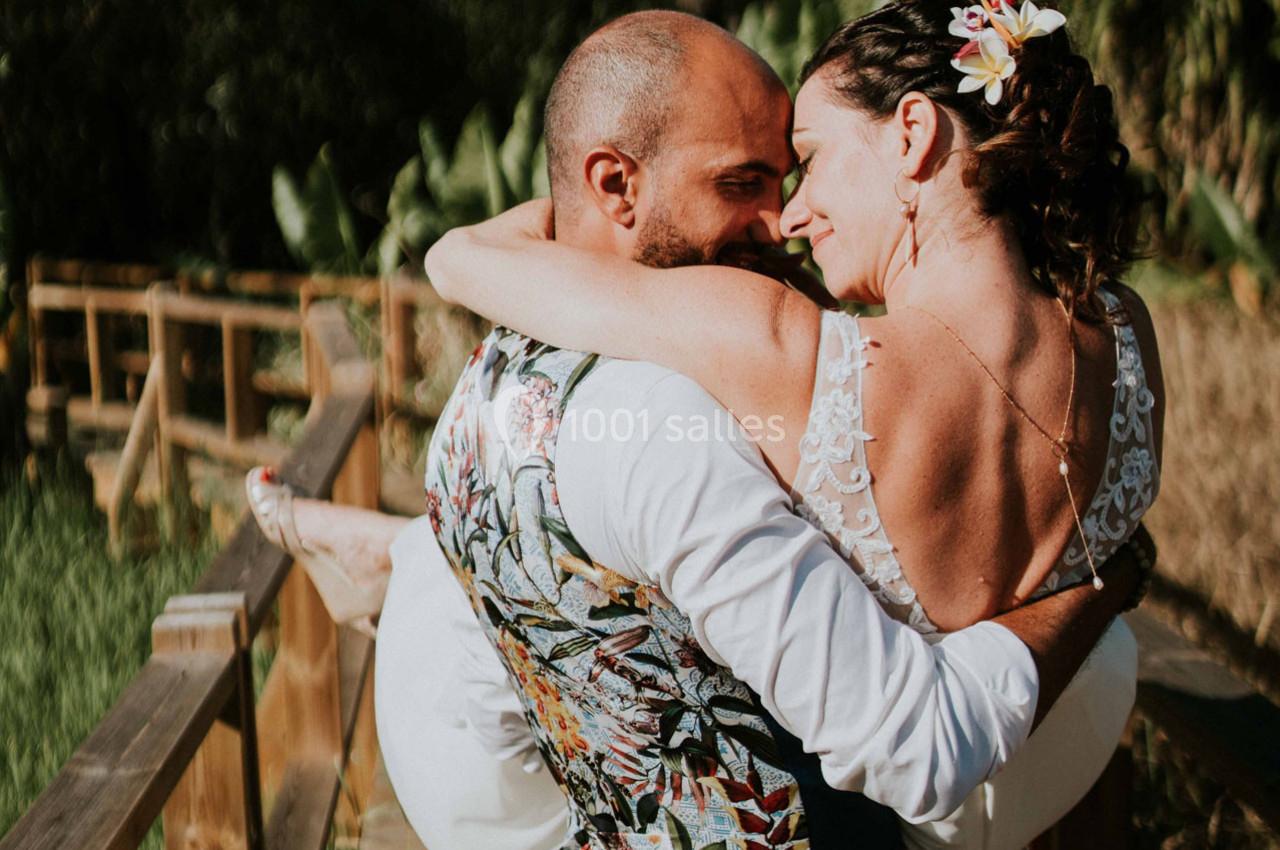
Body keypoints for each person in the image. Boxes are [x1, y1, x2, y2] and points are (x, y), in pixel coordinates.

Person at [247, 8, 1156, 850]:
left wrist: (476, 240)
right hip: (1046, 754)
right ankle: (410, 551)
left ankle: (406, 557)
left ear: (912, 135)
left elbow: (463, 257)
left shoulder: (794, 357)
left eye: (804, 162)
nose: (790, 221)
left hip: (891, 793)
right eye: (750, 180)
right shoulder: (1126, 335)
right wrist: (1101, 585)